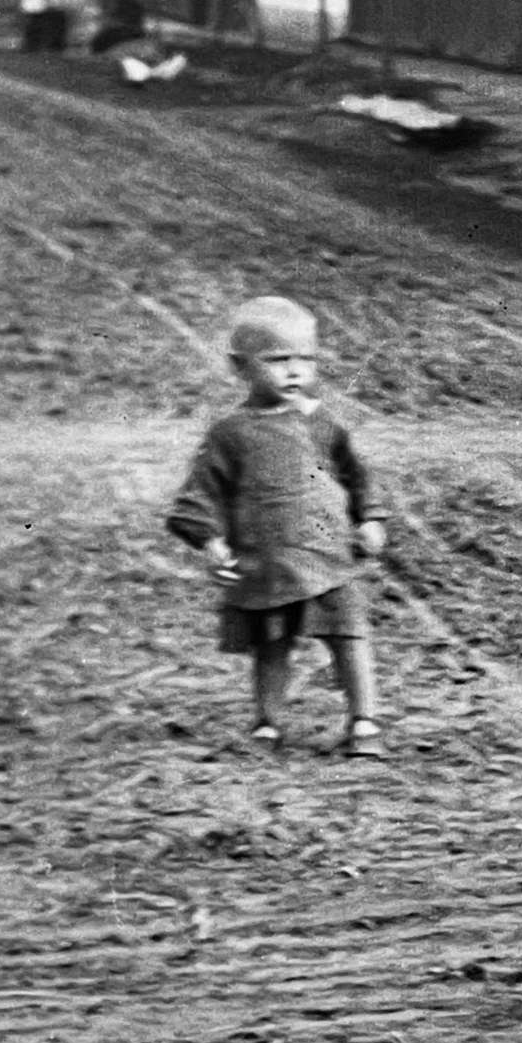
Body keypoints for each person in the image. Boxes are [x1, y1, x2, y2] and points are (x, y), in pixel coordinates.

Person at [166, 296, 389, 757]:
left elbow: (356, 474)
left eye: (304, 360)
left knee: (348, 636)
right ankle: (268, 722)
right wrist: (210, 541)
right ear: (240, 367)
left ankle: (364, 720)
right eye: (278, 360)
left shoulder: (323, 423)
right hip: (268, 559)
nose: (294, 372)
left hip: (329, 553)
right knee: (273, 644)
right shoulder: (230, 433)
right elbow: (199, 493)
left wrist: (369, 518)